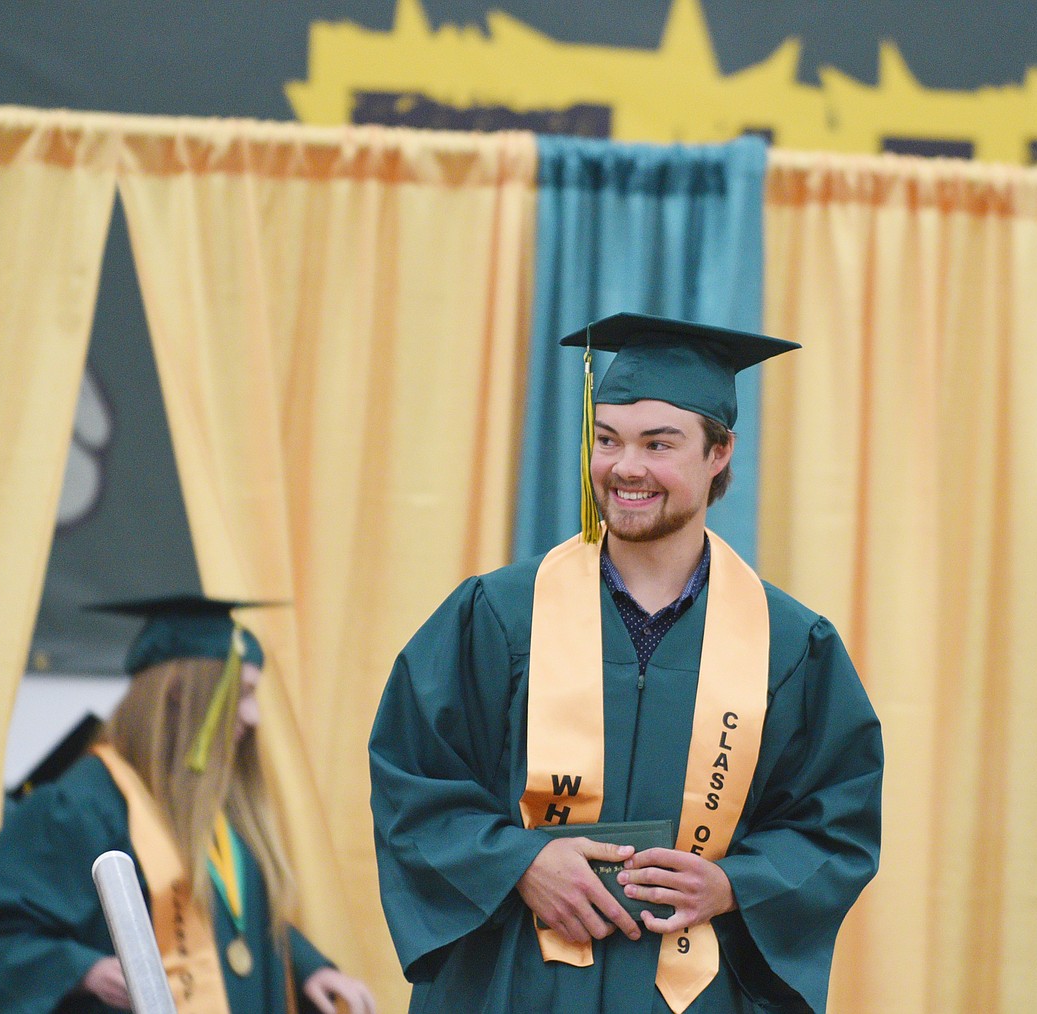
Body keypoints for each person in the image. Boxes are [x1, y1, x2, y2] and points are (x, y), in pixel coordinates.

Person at [369, 314, 883, 1013]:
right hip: (518, 984)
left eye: (658, 444)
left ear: (719, 453)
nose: (626, 467)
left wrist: (734, 884)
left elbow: (834, 821)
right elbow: (413, 779)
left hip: (691, 989)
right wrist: (519, 862)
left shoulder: (789, 645)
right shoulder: (497, 615)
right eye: (607, 440)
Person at [0, 596, 376, 1014]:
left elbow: (231, 922)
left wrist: (308, 970)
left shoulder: (217, 810)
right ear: (180, 693)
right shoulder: (78, 807)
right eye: (244, 693)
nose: (253, 717)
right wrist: (85, 970)